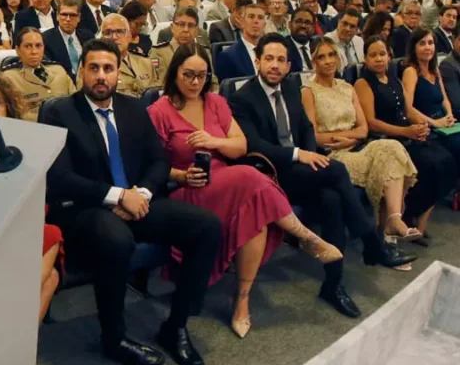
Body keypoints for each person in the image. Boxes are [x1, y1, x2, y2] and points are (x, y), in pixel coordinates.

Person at [40, 38, 220, 365]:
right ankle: (114, 337)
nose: (101, 76)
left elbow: (159, 161)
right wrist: (119, 196)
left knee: (207, 226)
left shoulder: (133, 108)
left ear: (118, 73)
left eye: (108, 68)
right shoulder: (59, 113)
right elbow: (60, 178)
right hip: (87, 208)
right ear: (81, 71)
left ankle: (176, 325)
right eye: (93, 68)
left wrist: (142, 194)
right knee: (117, 240)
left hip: (138, 199)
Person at [149, 45, 340, 337]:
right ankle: (306, 237)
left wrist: (214, 142)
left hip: (229, 180)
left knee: (256, 213)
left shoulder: (215, 102)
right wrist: (183, 175)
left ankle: (243, 301)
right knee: (250, 177)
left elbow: (240, 146)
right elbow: (152, 165)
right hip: (188, 187)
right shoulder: (159, 111)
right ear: (174, 73)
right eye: (188, 74)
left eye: (202, 75)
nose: (195, 82)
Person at [228, 34, 416, 319]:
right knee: (338, 170)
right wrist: (298, 155)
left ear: (289, 65)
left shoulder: (291, 88)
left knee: (332, 201)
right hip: (269, 174)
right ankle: (371, 243)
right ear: (257, 61)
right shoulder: (242, 98)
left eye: (281, 60)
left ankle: (333, 283)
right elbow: (253, 144)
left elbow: (304, 127)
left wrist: (309, 154)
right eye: (269, 59)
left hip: (301, 170)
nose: (275, 66)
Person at [0, 74, 62, 323]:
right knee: (51, 275)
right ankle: (13, 333)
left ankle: (11, 328)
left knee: (50, 241)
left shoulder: (24, 142)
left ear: (8, 107)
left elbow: (37, 197)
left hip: (18, 222)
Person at [302, 37, 420, 240]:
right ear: (314, 62)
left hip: (357, 146)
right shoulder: (308, 91)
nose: (329, 61)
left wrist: (350, 139)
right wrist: (349, 137)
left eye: (332, 55)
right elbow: (314, 136)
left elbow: (364, 128)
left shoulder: (347, 87)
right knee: (386, 161)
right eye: (321, 57)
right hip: (332, 154)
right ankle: (383, 235)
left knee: (391, 148)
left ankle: (393, 220)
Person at [356, 36, 456, 240]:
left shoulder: (394, 79)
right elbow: (371, 122)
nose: (378, 59)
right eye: (372, 55)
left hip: (406, 134)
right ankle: (402, 216)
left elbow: (407, 110)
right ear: (365, 59)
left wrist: (419, 127)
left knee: (448, 163)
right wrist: (406, 131)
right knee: (432, 165)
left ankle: (411, 213)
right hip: (385, 139)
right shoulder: (362, 83)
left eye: (382, 54)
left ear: (389, 56)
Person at [401, 28, 460, 166]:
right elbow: (408, 110)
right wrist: (436, 123)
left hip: (444, 125)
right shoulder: (411, 72)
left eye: (430, 43)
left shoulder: (435, 70)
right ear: (414, 48)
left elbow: (444, 98)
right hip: (427, 129)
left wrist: (449, 115)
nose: (428, 47)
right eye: (422, 43)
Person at [0, 27, 74, 121]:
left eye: (38, 46)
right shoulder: (9, 78)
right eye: (28, 46)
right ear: (18, 50)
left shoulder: (59, 70)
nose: (34, 52)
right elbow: (12, 116)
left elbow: (76, 102)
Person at [90, 14, 161, 98]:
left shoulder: (145, 62)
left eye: (120, 32)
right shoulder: (93, 66)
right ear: (101, 38)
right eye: (108, 33)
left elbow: (156, 94)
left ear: (130, 36)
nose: (114, 37)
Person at [149, 7, 218, 91]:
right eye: (181, 24)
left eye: (191, 25)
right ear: (172, 27)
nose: (186, 30)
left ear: (196, 30)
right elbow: (158, 87)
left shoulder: (204, 51)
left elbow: (213, 82)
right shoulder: (159, 52)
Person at [215, 1, 267, 80]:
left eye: (260, 18)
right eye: (251, 16)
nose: (256, 21)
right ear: (242, 22)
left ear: (264, 25)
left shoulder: (271, 53)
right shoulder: (228, 56)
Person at [43, 0, 91, 81]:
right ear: (57, 16)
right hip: (61, 83)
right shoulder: (46, 39)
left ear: (79, 17)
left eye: (72, 15)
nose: (68, 19)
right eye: (64, 14)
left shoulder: (88, 36)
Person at [324, 8, 363, 73]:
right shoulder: (327, 41)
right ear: (338, 22)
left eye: (352, 26)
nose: (347, 29)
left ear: (357, 30)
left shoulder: (359, 41)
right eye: (345, 24)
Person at [288, 7, 318, 72]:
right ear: (290, 25)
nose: (303, 26)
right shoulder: (283, 46)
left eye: (308, 23)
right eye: (298, 21)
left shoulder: (319, 45)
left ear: (313, 28)